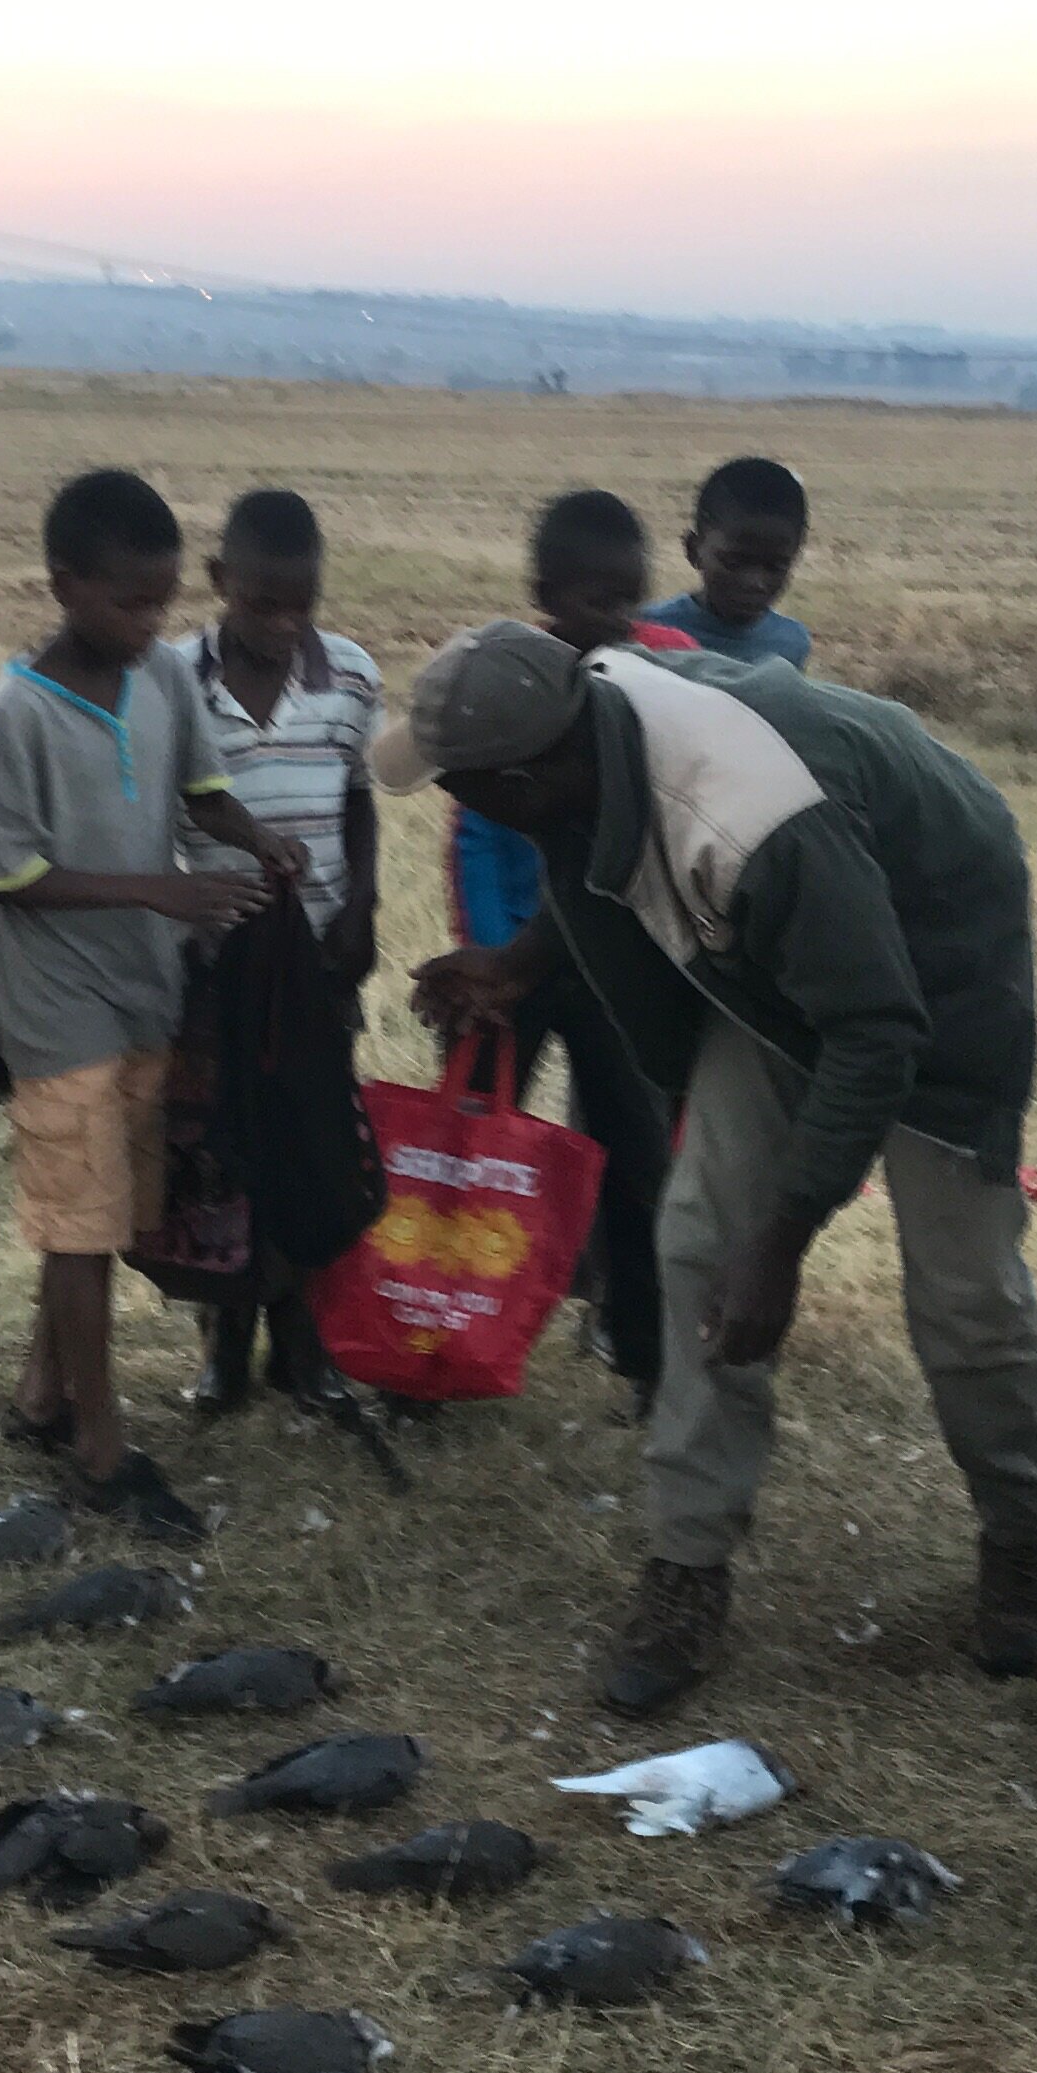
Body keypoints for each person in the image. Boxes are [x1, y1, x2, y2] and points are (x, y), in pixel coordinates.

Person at [392, 619, 1037, 1712]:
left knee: (963, 1292)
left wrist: (788, 1242)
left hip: (939, 953)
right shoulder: (582, 724)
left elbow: (878, 1030)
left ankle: (1025, 1530)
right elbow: (590, 859)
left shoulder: (744, 815)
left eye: (464, 788)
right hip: (781, 948)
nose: (454, 805)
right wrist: (518, 965)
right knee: (700, 1242)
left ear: (522, 774)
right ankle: (687, 1563)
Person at [0, 468, 308, 1536]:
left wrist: (258, 841)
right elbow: (5, 872)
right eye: (128, 601)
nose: (151, 621)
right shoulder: (16, 714)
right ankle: (101, 1448)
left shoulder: (162, 679)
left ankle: (40, 1392)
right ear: (65, 584)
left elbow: (201, 792)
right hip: (55, 997)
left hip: (145, 988)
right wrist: (160, 888)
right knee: (77, 1221)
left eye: (162, 602)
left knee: (105, 1211)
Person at [442, 491, 697, 1413]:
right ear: (545, 594)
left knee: (635, 1165)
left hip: (616, 969)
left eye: (631, 600)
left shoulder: (651, 680)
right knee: (466, 1156)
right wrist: (490, 961)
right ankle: (439, 1346)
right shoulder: (510, 681)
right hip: (509, 962)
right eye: (596, 601)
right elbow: (474, 835)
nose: (617, 620)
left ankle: (646, 1355)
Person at [172, 487, 385, 1414]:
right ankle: (225, 1344)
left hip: (319, 962)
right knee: (224, 1155)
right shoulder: (173, 681)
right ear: (221, 582)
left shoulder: (351, 677)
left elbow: (360, 797)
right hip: (216, 961)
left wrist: (364, 907)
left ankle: (305, 1348)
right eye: (262, 602)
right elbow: (167, 811)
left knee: (309, 1144)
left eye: (304, 602)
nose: (283, 622)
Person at [647, 455, 816, 669]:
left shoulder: (792, 643)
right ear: (694, 550)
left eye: (776, 567)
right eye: (734, 562)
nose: (755, 582)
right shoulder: (646, 632)